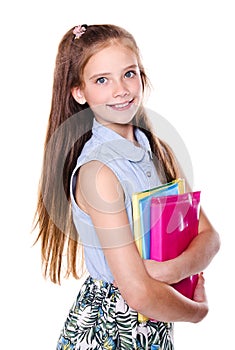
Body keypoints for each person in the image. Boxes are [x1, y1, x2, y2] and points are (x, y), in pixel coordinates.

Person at [34, 24, 220, 350]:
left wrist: (170, 270)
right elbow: (137, 293)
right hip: (109, 330)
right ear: (79, 92)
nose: (121, 89)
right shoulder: (98, 174)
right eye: (102, 80)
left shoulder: (160, 152)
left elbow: (209, 237)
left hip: (156, 321)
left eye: (129, 74)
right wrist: (197, 313)